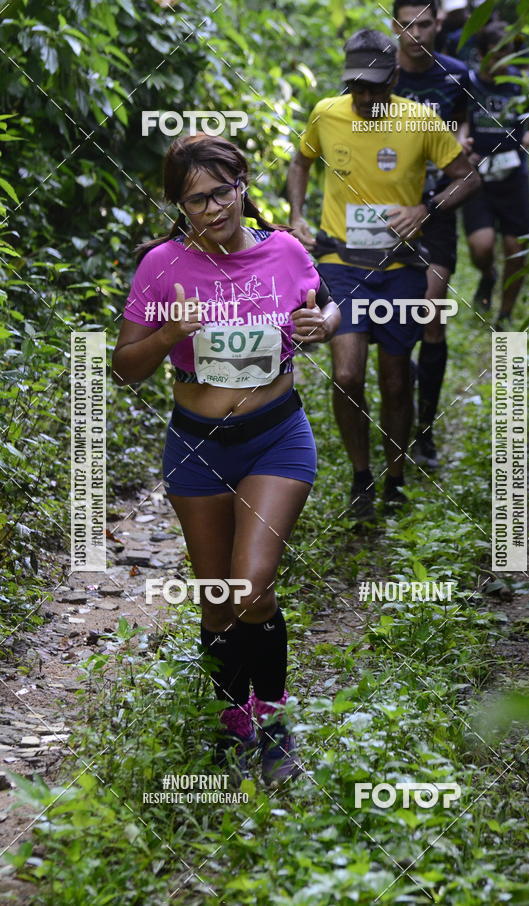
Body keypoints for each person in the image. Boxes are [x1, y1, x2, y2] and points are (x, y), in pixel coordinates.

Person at [112, 134, 340, 785]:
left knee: (251, 587)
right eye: (195, 201)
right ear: (179, 207)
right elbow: (125, 368)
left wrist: (323, 321)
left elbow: (318, 308)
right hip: (196, 445)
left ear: (242, 183)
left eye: (222, 191)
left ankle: (273, 725)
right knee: (217, 601)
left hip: (277, 437)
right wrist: (168, 335)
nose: (213, 209)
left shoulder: (286, 250)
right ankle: (232, 726)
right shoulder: (162, 265)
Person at [288, 28, 479, 520]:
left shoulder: (420, 121)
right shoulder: (326, 113)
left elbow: (469, 176)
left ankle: (395, 477)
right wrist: (296, 215)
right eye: (358, 86)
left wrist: (425, 208)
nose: (367, 96)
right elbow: (300, 161)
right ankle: (360, 477)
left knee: (395, 381)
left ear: (395, 77)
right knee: (347, 374)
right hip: (341, 263)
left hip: (399, 267)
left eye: (376, 86)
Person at [392, 0, 471, 469]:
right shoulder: (379, 74)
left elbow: (469, 134)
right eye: (407, 24)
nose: (416, 33)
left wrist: (461, 144)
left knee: (431, 314)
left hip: (437, 205)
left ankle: (425, 430)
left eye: (424, 23)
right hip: (384, 208)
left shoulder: (457, 75)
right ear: (394, 25)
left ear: (438, 24)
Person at [462, 21, 529, 329]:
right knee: (481, 246)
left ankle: (505, 315)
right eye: (496, 56)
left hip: (513, 177)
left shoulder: (523, 86)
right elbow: (459, 121)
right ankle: (487, 275)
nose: (503, 63)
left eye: (508, 55)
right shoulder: (467, 84)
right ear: (482, 55)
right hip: (478, 178)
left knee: (515, 248)